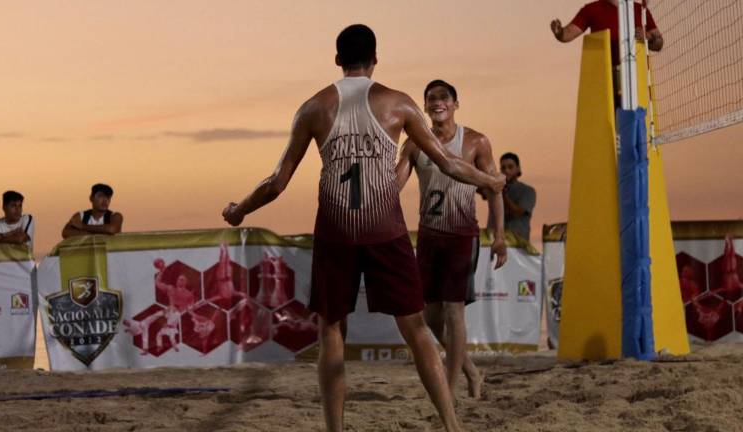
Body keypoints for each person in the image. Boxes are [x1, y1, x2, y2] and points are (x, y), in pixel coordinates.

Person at [221, 24, 504, 432]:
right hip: (385, 231)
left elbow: (277, 182)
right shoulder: (399, 104)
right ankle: (451, 425)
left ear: (338, 60)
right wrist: (490, 181)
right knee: (416, 328)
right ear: (375, 60)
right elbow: (447, 163)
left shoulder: (313, 107)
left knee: (332, 330)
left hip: (336, 232)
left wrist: (239, 210)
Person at [395, 79, 507, 399]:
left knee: (454, 312)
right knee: (430, 318)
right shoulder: (414, 144)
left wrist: (499, 236)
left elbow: (495, 189)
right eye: (430, 98)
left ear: (456, 104)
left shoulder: (475, 141)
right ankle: (471, 370)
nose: (437, 102)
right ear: (425, 106)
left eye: (444, 97)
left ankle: (450, 387)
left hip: (461, 235)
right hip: (429, 236)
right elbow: (393, 185)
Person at [550, 0, 663, 105]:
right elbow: (567, 34)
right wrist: (559, 33)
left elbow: (659, 43)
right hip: (603, 81)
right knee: (608, 117)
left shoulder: (639, 9)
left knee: (633, 117)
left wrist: (648, 37)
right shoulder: (591, 9)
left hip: (635, 80)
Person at [487, 153, 536, 241]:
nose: (506, 171)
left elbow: (517, 212)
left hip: (517, 243)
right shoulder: (494, 188)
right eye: (503, 168)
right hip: (494, 241)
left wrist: (502, 195)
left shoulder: (527, 191)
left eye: (510, 167)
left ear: (518, 168)